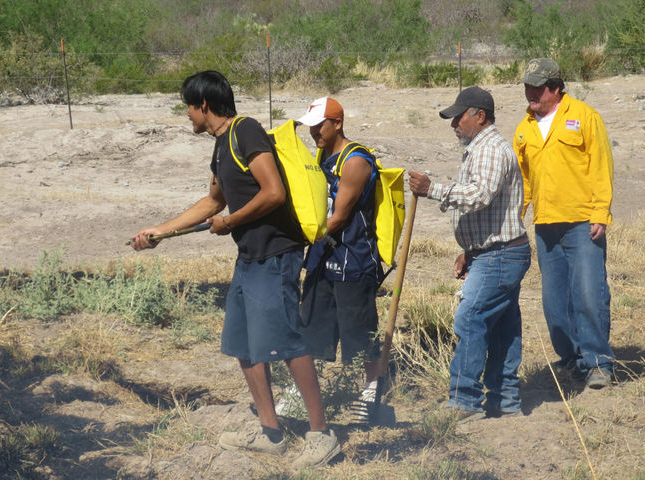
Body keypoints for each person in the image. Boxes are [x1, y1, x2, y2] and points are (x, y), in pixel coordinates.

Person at [130, 71, 340, 469]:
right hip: (249, 257)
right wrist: (161, 231)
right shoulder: (221, 146)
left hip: (276, 254)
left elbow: (273, 192)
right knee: (244, 342)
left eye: (189, 107)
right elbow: (213, 202)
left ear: (203, 105)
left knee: (288, 341)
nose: (187, 115)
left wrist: (230, 222)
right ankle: (270, 433)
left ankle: (321, 435)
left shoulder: (246, 131)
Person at [408, 86, 531, 418]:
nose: (453, 125)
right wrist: (470, 252)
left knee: (470, 318)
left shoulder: (489, 149)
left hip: (500, 254)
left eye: (458, 117)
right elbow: (492, 208)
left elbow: (481, 195)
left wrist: (433, 189)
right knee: (502, 325)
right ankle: (505, 399)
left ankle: (464, 400)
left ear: (480, 116)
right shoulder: (483, 148)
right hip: (496, 252)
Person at [276, 96, 383, 421]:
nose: (314, 133)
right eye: (310, 127)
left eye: (319, 126)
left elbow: (338, 218)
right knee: (310, 327)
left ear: (337, 123)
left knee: (360, 334)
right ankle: (299, 393)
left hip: (354, 260)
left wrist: (295, 235)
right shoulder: (323, 157)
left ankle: (372, 390)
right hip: (322, 257)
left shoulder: (355, 161)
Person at [514, 58, 615, 389]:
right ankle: (572, 361)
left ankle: (597, 363)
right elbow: (523, 180)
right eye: (527, 87)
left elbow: (601, 165)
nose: (531, 93)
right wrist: (515, 217)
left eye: (538, 87)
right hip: (545, 226)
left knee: (589, 293)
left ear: (556, 88)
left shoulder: (585, 116)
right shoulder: (524, 128)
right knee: (554, 302)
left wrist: (600, 212)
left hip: (583, 222)